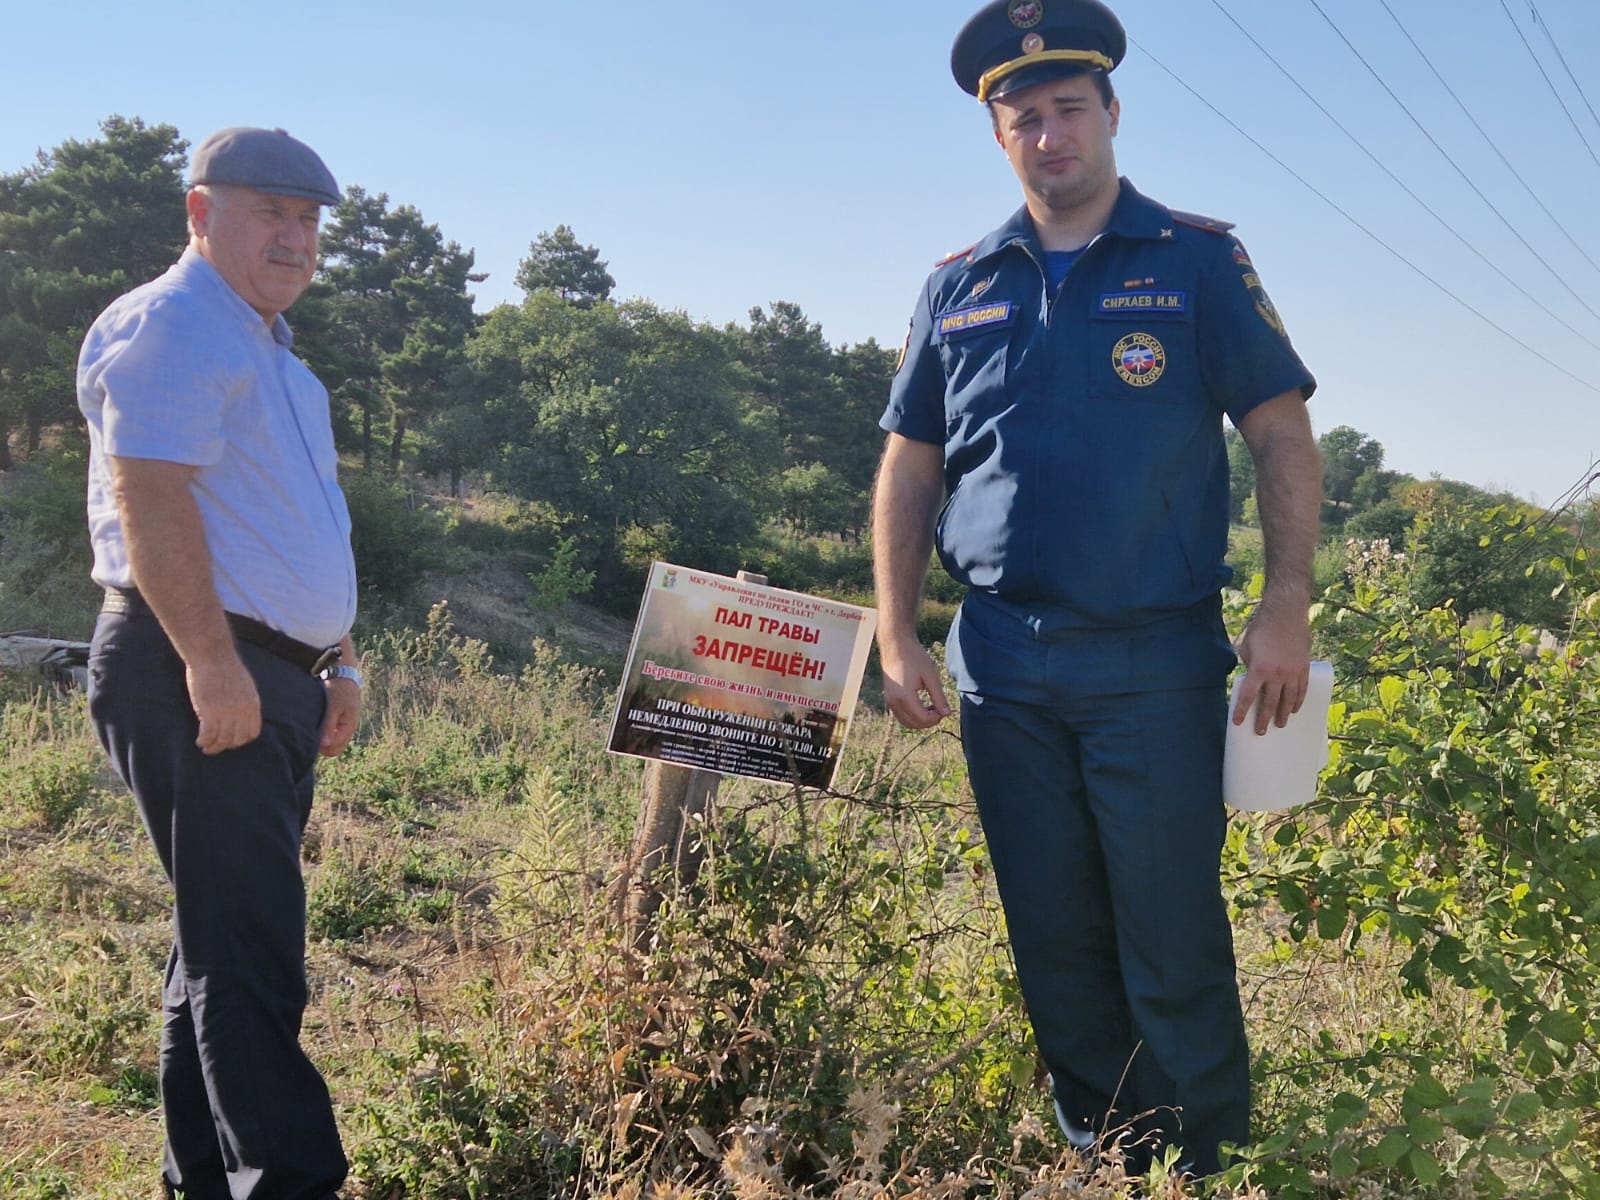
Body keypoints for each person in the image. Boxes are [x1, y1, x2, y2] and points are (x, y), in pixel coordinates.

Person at [872, 0, 1322, 1177]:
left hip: (1152, 660)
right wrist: (895, 628)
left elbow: (1279, 432)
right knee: (1053, 931)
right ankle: (1105, 1145)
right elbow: (910, 462)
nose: (1048, 131)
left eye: (1068, 108)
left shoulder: (1193, 260)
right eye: (1023, 117)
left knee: (1169, 934)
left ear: (1111, 113)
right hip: (1001, 663)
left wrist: (1285, 609)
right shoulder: (957, 288)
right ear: (998, 137)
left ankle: (1207, 1164)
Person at [78, 126, 360, 1200]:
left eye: (308, 221)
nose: (295, 239)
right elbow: (151, 497)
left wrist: (338, 659)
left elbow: (292, 524)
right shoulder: (177, 325)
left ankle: (205, 1181)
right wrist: (211, 662)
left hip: (268, 672)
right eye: (267, 214)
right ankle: (285, 1182)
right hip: (198, 666)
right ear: (201, 215)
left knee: (218, 948)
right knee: (249, 957)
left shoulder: (269, 351)